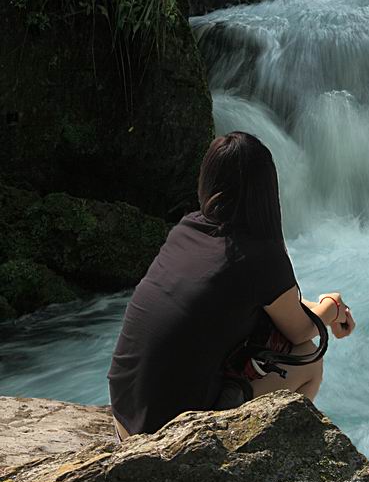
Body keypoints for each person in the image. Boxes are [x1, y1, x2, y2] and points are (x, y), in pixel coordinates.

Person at [107, 132, 355, 440]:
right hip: (166, 435)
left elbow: (277, 310)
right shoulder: (259, 256)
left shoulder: (187, 228)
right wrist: (332, 306)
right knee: (309, 360)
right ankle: (266, 463)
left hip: (123, 412)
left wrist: (324, 311)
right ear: (266, 192)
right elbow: (301, 330)